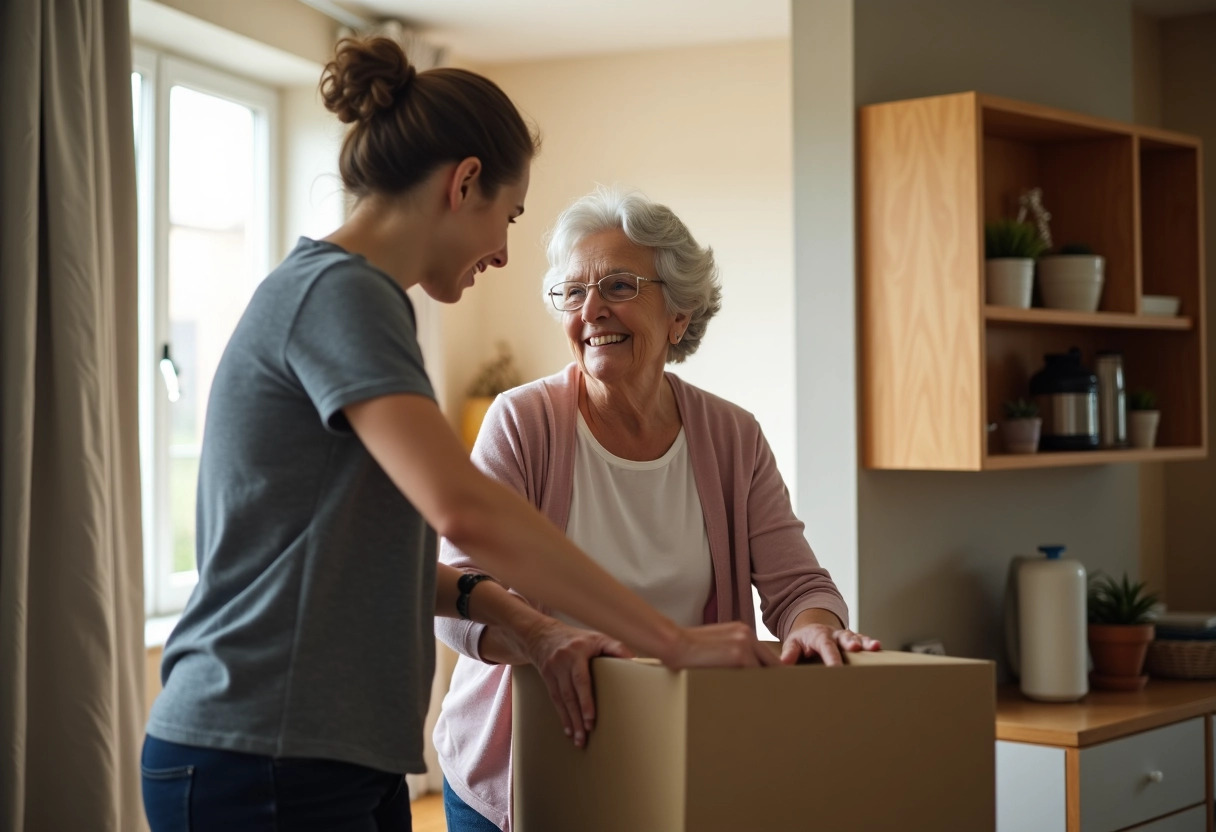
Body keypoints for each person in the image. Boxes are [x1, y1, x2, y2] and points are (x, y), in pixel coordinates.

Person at [141, 39, 777, 832]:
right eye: (507, 217)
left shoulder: (358, 301)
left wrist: (536, 627)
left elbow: (376, 551)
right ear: (464, 182)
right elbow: (462, 512)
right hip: (263, 749)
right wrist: (670, 641)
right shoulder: (342, 296)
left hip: (335, 752)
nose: (505, 253)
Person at [434, 188, 882, 832]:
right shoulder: (521, 422)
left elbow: (798, 587)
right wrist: (544, 640)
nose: (592, 310)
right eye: (572, 291)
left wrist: (813, 627)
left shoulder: (733, 436)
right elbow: (458, 605)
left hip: (678, 758)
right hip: (518, 765)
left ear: (679, 315)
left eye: (618, 285)